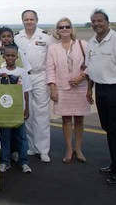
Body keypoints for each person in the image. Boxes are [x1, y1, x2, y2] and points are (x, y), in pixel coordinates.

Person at [86, 9, 116, 186]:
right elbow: (90, 68)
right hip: (101, 90)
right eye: (93, 21)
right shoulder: (92, 42)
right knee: (108, 128)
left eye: (100, 21)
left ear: (107, 22)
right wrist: (89, 89)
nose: (96, 24)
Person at [14, 9, 56, 163]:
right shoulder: (17, 37)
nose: (29, 22)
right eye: (26, 19)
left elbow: (53, 57)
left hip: (40, 76)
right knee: (27, 112)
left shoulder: (46, 36)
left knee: (42, 113)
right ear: (22, 20)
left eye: (32, 19)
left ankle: (43, 149)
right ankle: (31, 146)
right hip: (24, 77)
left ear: (37, 20)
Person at [46, 17, 90, 164]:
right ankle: (69, 149)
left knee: (79, 118)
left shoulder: (83, 44)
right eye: (61, 27)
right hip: (62, 88)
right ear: (57, 30)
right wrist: (52, 88)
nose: (64, 29)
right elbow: (50, 69)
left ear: (72, 29)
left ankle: (78, 148)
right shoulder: (53, 48)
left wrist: (81, 77)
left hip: (80, 87)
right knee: (65, 119)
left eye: (67, 26)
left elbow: (92, 64)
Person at [0, 46, 32, 173]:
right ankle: (5, 161)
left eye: (13, 55)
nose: (10, 58)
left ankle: (24, 161)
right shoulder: (0, 72)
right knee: (5, 136)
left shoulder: (22, 72)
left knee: (21, 137)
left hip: (18, 110)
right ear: (3, 57)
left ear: (17, 57)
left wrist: (26, 108)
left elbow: (26, 91)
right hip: (4, 111)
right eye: (7, 55)